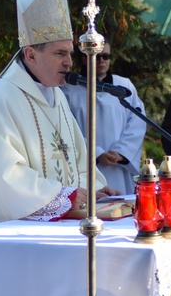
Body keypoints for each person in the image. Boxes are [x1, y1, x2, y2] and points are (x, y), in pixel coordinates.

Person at [0, 0, 117, 231]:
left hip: (64, 228)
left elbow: (76, 158)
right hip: (14, 237)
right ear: (30, 54)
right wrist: (63, 196)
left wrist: (94, 189)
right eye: (59, 53)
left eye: (70, 54)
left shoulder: (57, 96)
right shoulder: (0, 100)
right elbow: (5, 177)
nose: (69, 63)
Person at [61, 42, 146, 194]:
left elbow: (137, 121)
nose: (102, 61)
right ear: (84, 59)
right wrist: (97, 153)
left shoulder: (123, 86)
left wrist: (122, 152)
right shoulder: (68, 90)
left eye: (106, 57)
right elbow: (67, 128)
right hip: (87, 167)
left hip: (118, 166)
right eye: (97, 57)